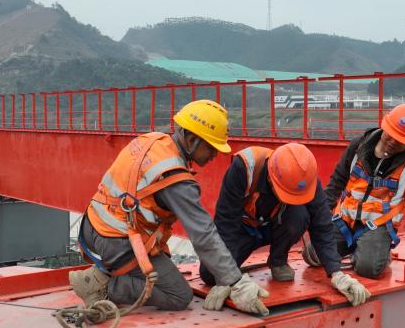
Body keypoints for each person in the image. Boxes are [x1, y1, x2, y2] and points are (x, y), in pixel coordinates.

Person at [68, 99, 270, 316]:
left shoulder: (152, 141)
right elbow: (203, 235)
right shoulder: (174, 178)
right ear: (191, 139)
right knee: (179, 295)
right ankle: (101, 286)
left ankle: (101, 274)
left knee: (164, 266)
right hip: (116, 240)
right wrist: (236, 282)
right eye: (211, 148)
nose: (214, 155)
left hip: (93, 226)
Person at [201, 143, 370, 306]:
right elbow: (226, 223)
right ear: (270, 177)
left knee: (299, 215)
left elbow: (322, 225)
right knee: (210, 275)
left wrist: (336, 272)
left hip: (275, 226)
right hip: (243, 229)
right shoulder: (244, 168)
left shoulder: (306, 178)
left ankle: (278, 261)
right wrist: (228, 277)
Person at [303, 103, 405, 280]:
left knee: (368, 268)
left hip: (378, 226)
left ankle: (376, 252)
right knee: (312, 255)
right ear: (384, 126)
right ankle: (360, 248)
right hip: (345, 221)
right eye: (391, 135)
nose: (393, 141)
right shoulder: (359, 146)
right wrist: (320, 219)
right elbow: (336, 183)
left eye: (401, 140)